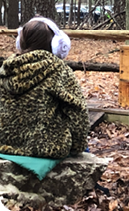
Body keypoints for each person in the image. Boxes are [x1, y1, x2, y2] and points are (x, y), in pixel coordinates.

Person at [0, 16, 89, 158]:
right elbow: (77, 111)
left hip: (4, 144)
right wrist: (79, 146)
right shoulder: (59, 70)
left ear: (20, 43)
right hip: (48, 148)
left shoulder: (6, 69)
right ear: (57, 44)